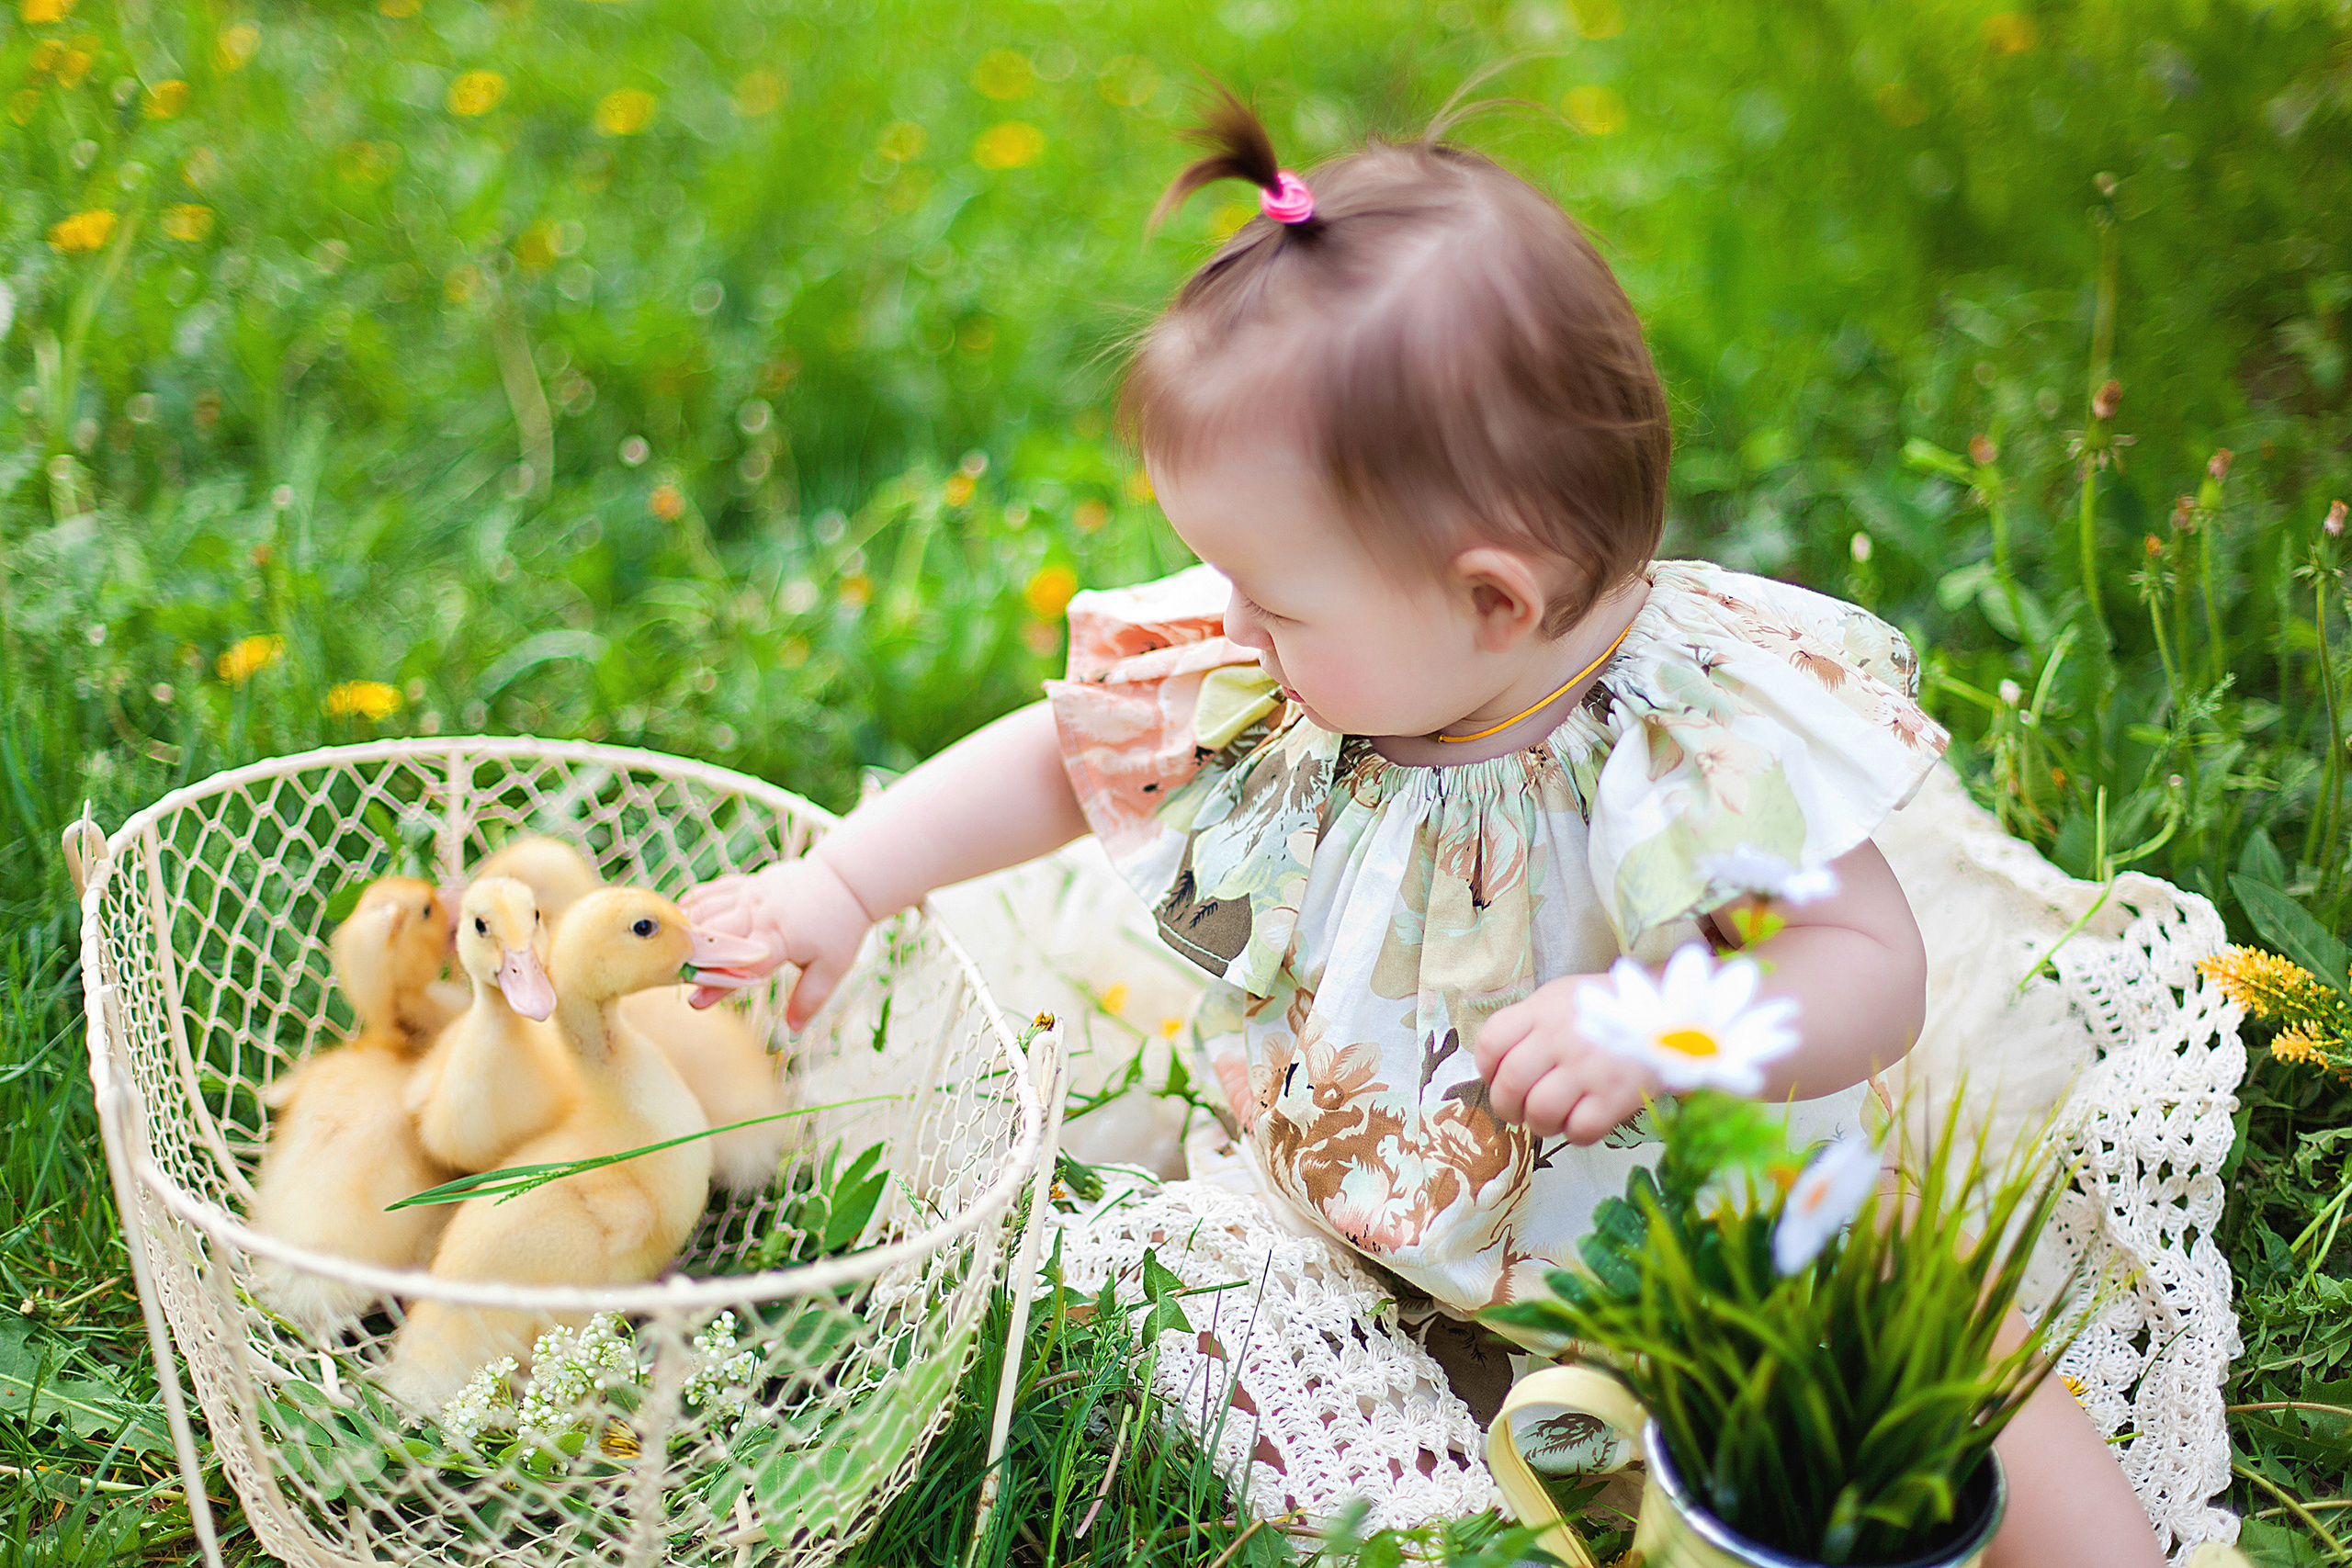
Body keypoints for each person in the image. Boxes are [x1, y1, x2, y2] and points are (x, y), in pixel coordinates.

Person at [684, 89, 2163, 1568]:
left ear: (1493, 601)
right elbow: (1062, 761)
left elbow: (1867, 968)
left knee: (1928, 1297)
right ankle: (1512, 1449)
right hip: (1348, 1198)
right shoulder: (1315, 669)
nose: (1231, 628)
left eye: (1271, 598)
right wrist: (846, 881)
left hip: (1694, 1231)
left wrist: (1668, 1027)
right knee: (1252, 1350)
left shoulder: (1685, 739)